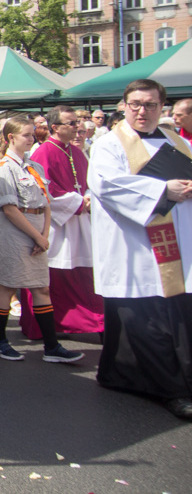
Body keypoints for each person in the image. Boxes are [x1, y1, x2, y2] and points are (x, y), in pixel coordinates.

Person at [89, 79, 192, 420]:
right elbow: (107, 184)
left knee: (174, 316)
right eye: (135, 104)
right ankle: (171, 389)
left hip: (178, 244)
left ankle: (117, 374)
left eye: (149, 105)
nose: (141, 111)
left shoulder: (176, 141)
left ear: (162, 107)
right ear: (124, 105)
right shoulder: (109, 144)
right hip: (134, 247)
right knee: (148, 322)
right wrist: (164, 191)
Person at [0, 116, 84, 364]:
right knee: (8, 286)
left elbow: (46, 203)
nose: (31, 139)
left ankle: (51, 346)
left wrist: (43, 235)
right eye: (26, 135)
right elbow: (9, 209)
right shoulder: (4, 168)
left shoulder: (34, 167)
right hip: (14, 231)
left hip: (36, 229)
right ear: (10, 137)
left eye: (32, 134)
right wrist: (37, 236)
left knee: (41, 287)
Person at [22, 106, 103, 340]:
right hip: (55, 225)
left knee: (83, 275)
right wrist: (79, 202)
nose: (77, 127)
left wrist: (89, 197)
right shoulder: (43, 153)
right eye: (72, 123)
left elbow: (90, 182)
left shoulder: (77, 152)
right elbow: (43, 189)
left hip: (80, 222)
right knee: (51, 278)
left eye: (77, 122)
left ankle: (92, 322)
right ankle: (45, 327)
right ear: (55, 127)